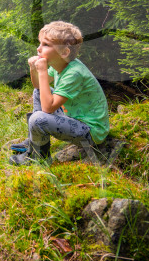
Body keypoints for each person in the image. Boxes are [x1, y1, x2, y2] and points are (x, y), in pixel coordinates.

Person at [9, 21, 109, 165]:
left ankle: (38, 157)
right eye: (40, 43)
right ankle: (34, 141)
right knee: (39, 92)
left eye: (46, 45)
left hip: (91, 132)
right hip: (74, 117)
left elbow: (48, 108)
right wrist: (33, 69)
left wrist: (42, 71)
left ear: (64, 52)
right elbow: (38, 85)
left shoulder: (74, 73)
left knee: (38, 119)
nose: (38, 49)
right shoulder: (60, 64)